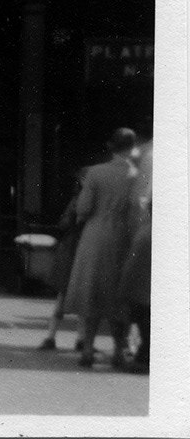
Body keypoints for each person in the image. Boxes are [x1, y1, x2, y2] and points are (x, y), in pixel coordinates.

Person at [64, 128, 142, 369]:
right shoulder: (136, 175)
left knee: (92, 292)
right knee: (119, 295)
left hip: (95, 236)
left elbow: (83, 208)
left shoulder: (96, 173)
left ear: (110, 146)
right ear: (133, 147)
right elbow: (138, 212)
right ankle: (119, 350)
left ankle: (87, 349)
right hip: (124, 238)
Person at [38, 169, 88, 351]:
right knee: (74, 295)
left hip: (73, 248)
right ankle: (78, 339)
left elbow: (63, 224)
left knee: (66, 295)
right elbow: (64, 223)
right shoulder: (79, 202)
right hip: (76, 248)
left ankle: (55, 337)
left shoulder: (77, 200)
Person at [118, 139, 152, 373]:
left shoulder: (148, 153)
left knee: (139, 299)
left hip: (148, 233)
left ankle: (143, 352)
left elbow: (142, 201)